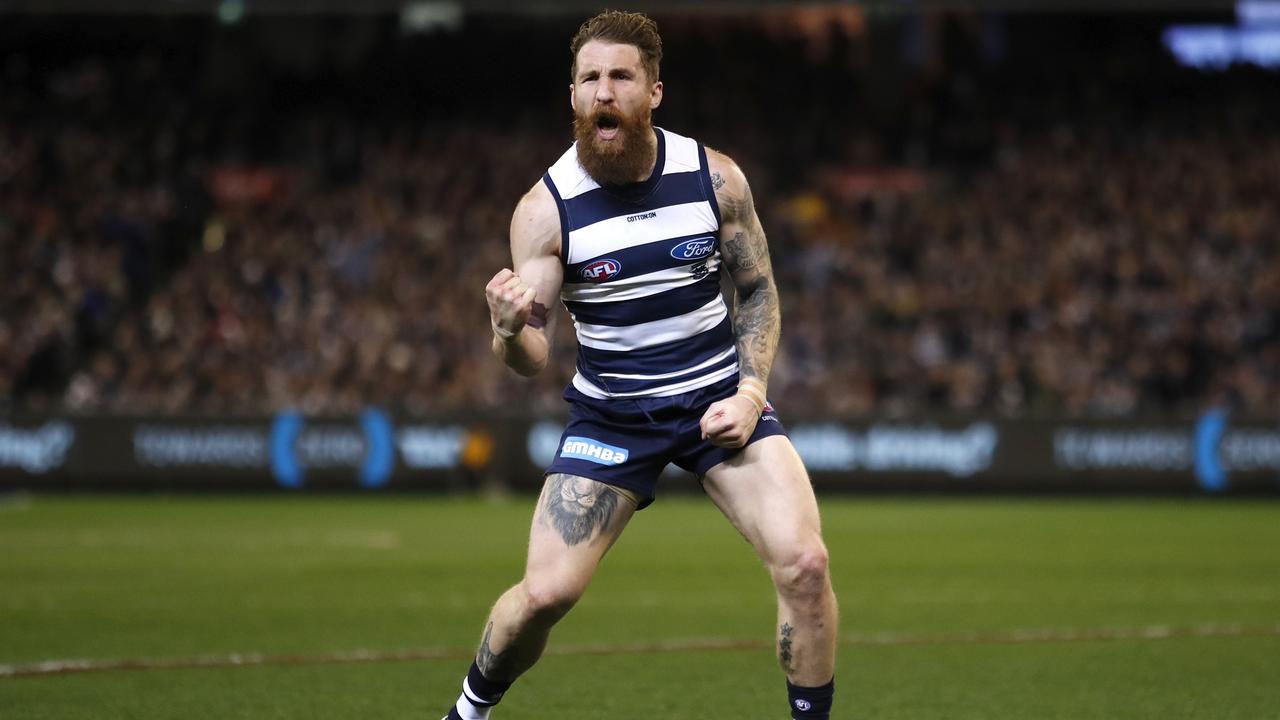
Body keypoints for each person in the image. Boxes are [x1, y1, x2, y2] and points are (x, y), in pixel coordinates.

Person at [444, 10, 838, 720]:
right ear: (571, 96)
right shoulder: (545, 210)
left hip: (718, 399)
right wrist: (506, 333)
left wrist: (752, 393)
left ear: (653, 91)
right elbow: (531, 358)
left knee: (806, 566)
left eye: (621, 76)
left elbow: (757, 293)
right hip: (612, 415)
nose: (603, 91)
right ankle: (469, 711)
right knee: (543, 597)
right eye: (589, 79)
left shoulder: (715, 179)